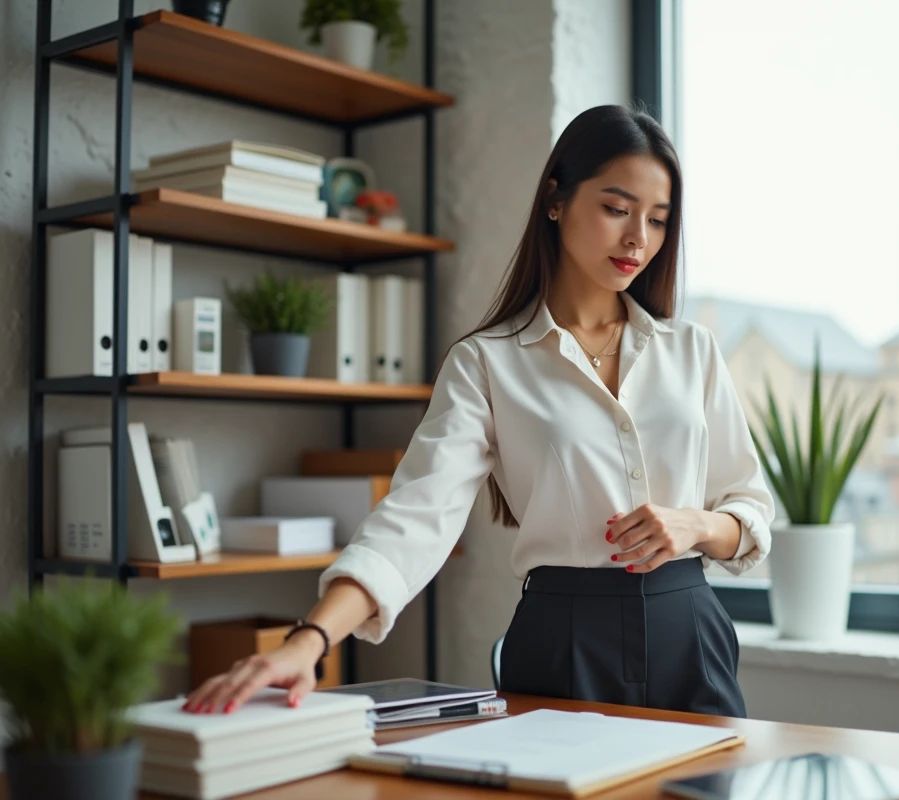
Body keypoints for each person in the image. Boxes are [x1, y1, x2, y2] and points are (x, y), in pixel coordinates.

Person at [183, 104, 774, 719]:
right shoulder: (486, 363)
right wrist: (311, 638)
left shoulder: (692, 351)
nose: (638, 240)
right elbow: (414, 517)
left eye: (657, 219)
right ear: (556, 200)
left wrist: (695, 526)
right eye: (616, 209)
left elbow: (749, 505)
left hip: (692, 639)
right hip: (561, 643)